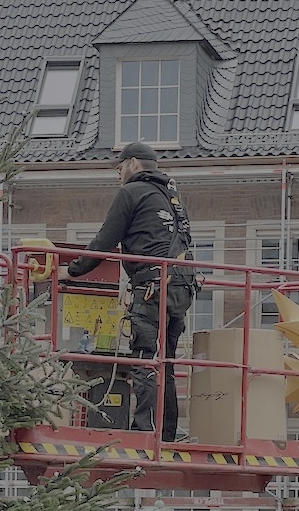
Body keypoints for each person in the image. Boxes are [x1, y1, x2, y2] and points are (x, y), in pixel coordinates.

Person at [65, 142, 195, 441]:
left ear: (134, 164)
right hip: (179, 285)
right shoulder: (172, 197)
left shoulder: (131, 193)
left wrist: (72, 270)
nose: (117, 175)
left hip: (152, 286)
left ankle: (144, 432)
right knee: (166, 361)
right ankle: (167, 433)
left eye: (119, 167)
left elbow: (105, 240)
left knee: (145, 358)